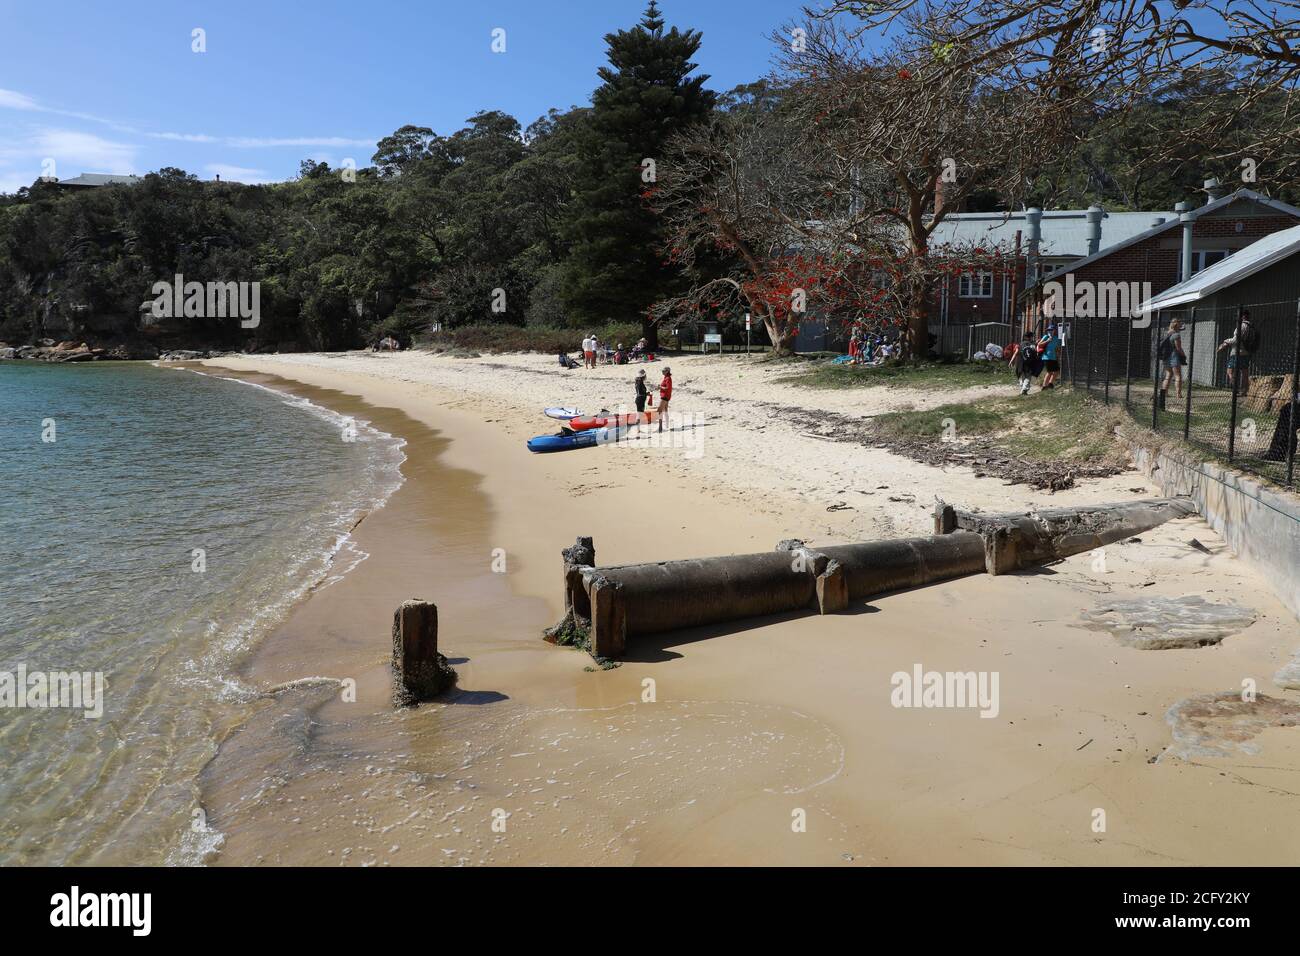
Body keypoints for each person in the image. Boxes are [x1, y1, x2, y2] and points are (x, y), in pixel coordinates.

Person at [1218, 311, 1258, 394]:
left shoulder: (1241, 326)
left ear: (1242, 317)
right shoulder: (1252, 327)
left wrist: (1225, 342)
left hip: (1237, 352)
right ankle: (1244, 390)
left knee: (1230, 371)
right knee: (1244, 371)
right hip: (1247, 352)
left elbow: (1235, 340)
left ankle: (1235, 389)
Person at [1157, 318, 1188, 405]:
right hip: (1174, 356)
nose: (1181, 325)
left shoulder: (1167, 333)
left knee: (1168, 375)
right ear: (1177, 324)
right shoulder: (1176, 335)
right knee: (1178, 376)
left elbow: (1179, 328)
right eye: (1180, 323)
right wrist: (1184, 355)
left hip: (1166, 357)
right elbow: (1178, 348)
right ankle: (1178, 394)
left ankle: (1164, 393)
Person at [1037, 323, 1062, 389]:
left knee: (1057, 371)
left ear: (1054, 330)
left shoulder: (1056, 338)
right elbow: (1039, 345)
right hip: (1046, 357)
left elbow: (1058, 347)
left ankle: (1050, 384)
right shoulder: (1046, 337)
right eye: (1049, 330)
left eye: (1051, 330)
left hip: (1054, 357)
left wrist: (1058, 355)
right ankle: (1044, 386)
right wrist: (1047, 341)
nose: (1050, 331)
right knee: (1050, 372)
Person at [657, 366, 672, 432]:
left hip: (665, 396)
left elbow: (667, 388)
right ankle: (667, 425)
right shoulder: (666, 377)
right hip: (666, 396)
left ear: (667, 371)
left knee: (659, 410)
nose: (662, 372)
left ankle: (660, 427)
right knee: (665, 410)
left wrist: (660, 387)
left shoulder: (668, 378)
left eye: (664, 371)